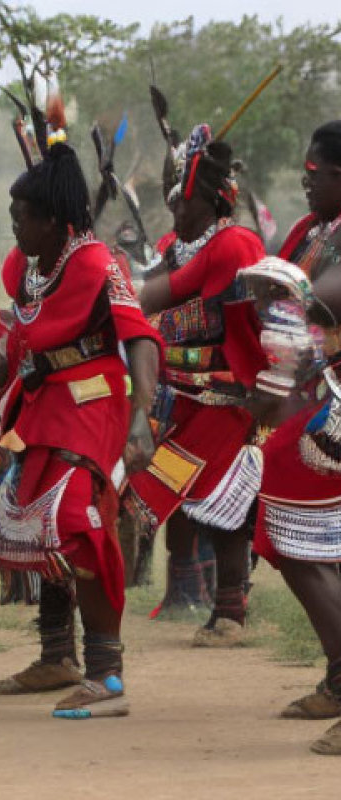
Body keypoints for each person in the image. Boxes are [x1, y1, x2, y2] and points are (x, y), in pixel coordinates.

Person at [0, 142, 161, 718]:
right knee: (40, 527)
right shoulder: (29, 265)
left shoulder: (97, 262)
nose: (15, 230)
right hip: (45, 402)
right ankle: (57, 656)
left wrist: (141, 418)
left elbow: (139, 339)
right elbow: (22, 327)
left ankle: (107, 676)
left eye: (22, 219)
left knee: (74, 519)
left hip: (96, 400)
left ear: (55, 221)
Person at [123, 124, 266, 646]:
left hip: (229, 400)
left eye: (178, 207)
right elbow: (153, 285)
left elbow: (177, 301)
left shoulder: (234, 245)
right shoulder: (194, 244)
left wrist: (124, 296)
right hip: (190, 397)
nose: (173, 216)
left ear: (203, 203)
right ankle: (221, 608)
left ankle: (230, 613)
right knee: (196, 499)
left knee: (220, 504)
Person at [248, 121, 341, 749]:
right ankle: (337, 679)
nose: (304, 183)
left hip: (326, 409)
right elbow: (273, 289)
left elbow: (310, 304)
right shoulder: (314, 231)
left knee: (298, 544)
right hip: (312, 402)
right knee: (297, 542)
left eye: (315, 174)